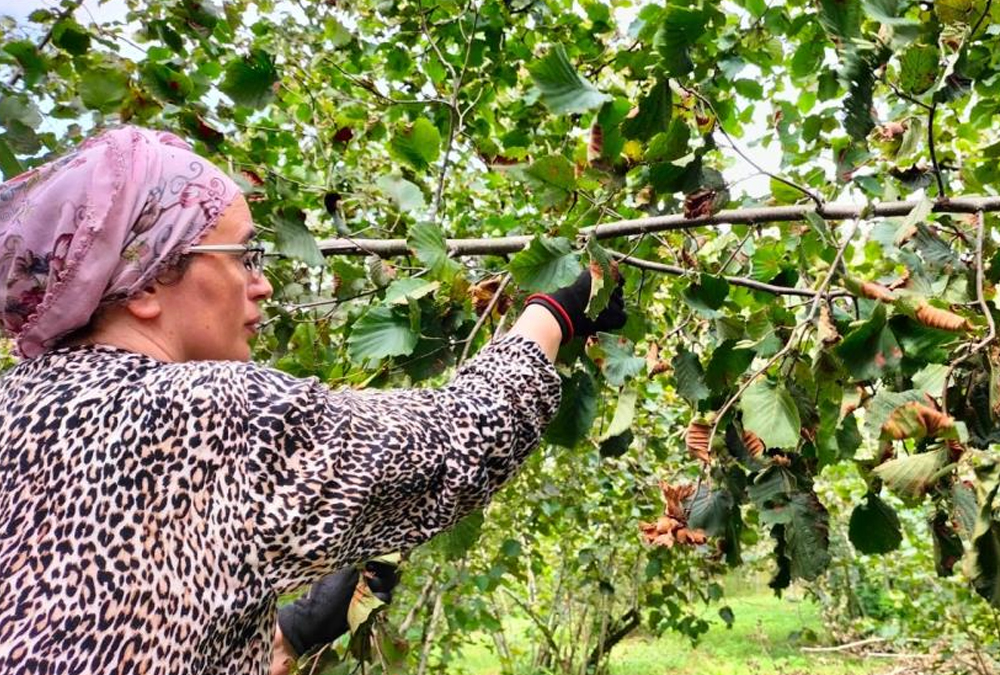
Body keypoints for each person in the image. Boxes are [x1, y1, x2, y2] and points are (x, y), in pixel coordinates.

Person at [0, 126, 626, 673]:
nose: (263, 284)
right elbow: (458, 437)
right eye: (244, 256)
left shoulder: (16, 406)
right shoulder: (209, 413)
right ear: (149, 279)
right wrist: (553, 313)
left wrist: (273, 638)